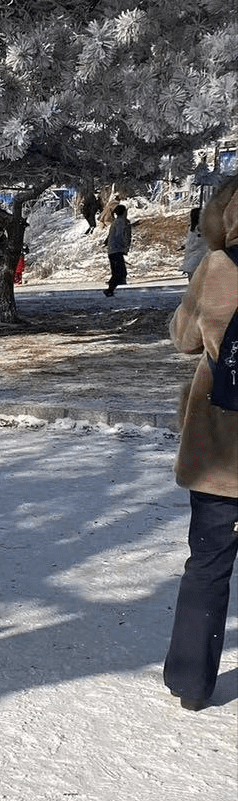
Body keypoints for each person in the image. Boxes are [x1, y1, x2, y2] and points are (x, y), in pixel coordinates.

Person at [162, 176, 238, 712]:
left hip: (222, 450)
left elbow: (184, 338)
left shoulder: (218, 268)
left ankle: (191, 682)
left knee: (208, 563)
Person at [103, 203, 132, 296]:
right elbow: (120, 235)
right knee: (119, 271)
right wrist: (123, 246)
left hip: (113, 249)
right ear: (124, 212)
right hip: (116, 249)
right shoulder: (121, 222)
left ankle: (113, 288)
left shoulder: (117, 221)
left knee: (119, 271)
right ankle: (110, 289)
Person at [181, 206, 207, 280]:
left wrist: (188, 246)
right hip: (198, 255)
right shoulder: (200, 227)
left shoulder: (194, 227)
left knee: (193, 276)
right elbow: (199, 240)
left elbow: (194, 240)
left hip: (194, 256)